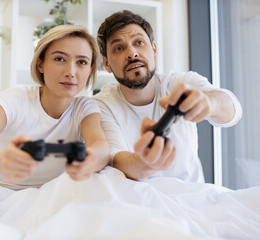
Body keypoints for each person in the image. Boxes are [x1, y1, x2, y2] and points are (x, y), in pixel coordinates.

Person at [0, 25, 110, 190]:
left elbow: (100, 146)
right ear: (40, 64)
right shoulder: (14, 99)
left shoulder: (85, 108)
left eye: (82, 62)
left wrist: (91, 160)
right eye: (59, 59)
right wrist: (0, 162)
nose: (71, 72)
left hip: (46, 194)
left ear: (90, 70)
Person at [92, 10, 242, 182]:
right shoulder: (101, 106)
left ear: (154, 50)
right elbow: (116, 160)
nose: (132, 53)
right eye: (119, 48)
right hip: (138, 202)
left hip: (192, 198)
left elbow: (233, 111)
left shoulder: (182, 82)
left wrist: (210, 103)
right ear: (106, 64)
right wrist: (145, 163)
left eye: (139, 42)